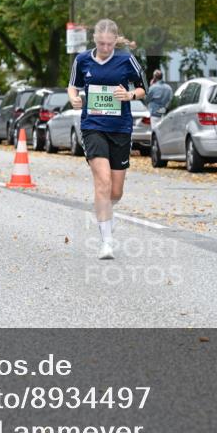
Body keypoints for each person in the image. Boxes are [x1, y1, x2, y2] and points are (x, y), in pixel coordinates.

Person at [67, 18, 146, 260]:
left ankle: (106, 212)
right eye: (101, 44)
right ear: (94, 40)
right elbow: (72, 86)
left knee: (115, 191)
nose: (105, 48)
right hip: (93, 127)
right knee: (102, 183)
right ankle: (106, 242)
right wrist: (74, 98)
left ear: (115, 41)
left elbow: (144, 88)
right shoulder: (82, 60)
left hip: (120, 128)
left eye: (109, 44)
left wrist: (130, 94)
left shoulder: (126, 59)